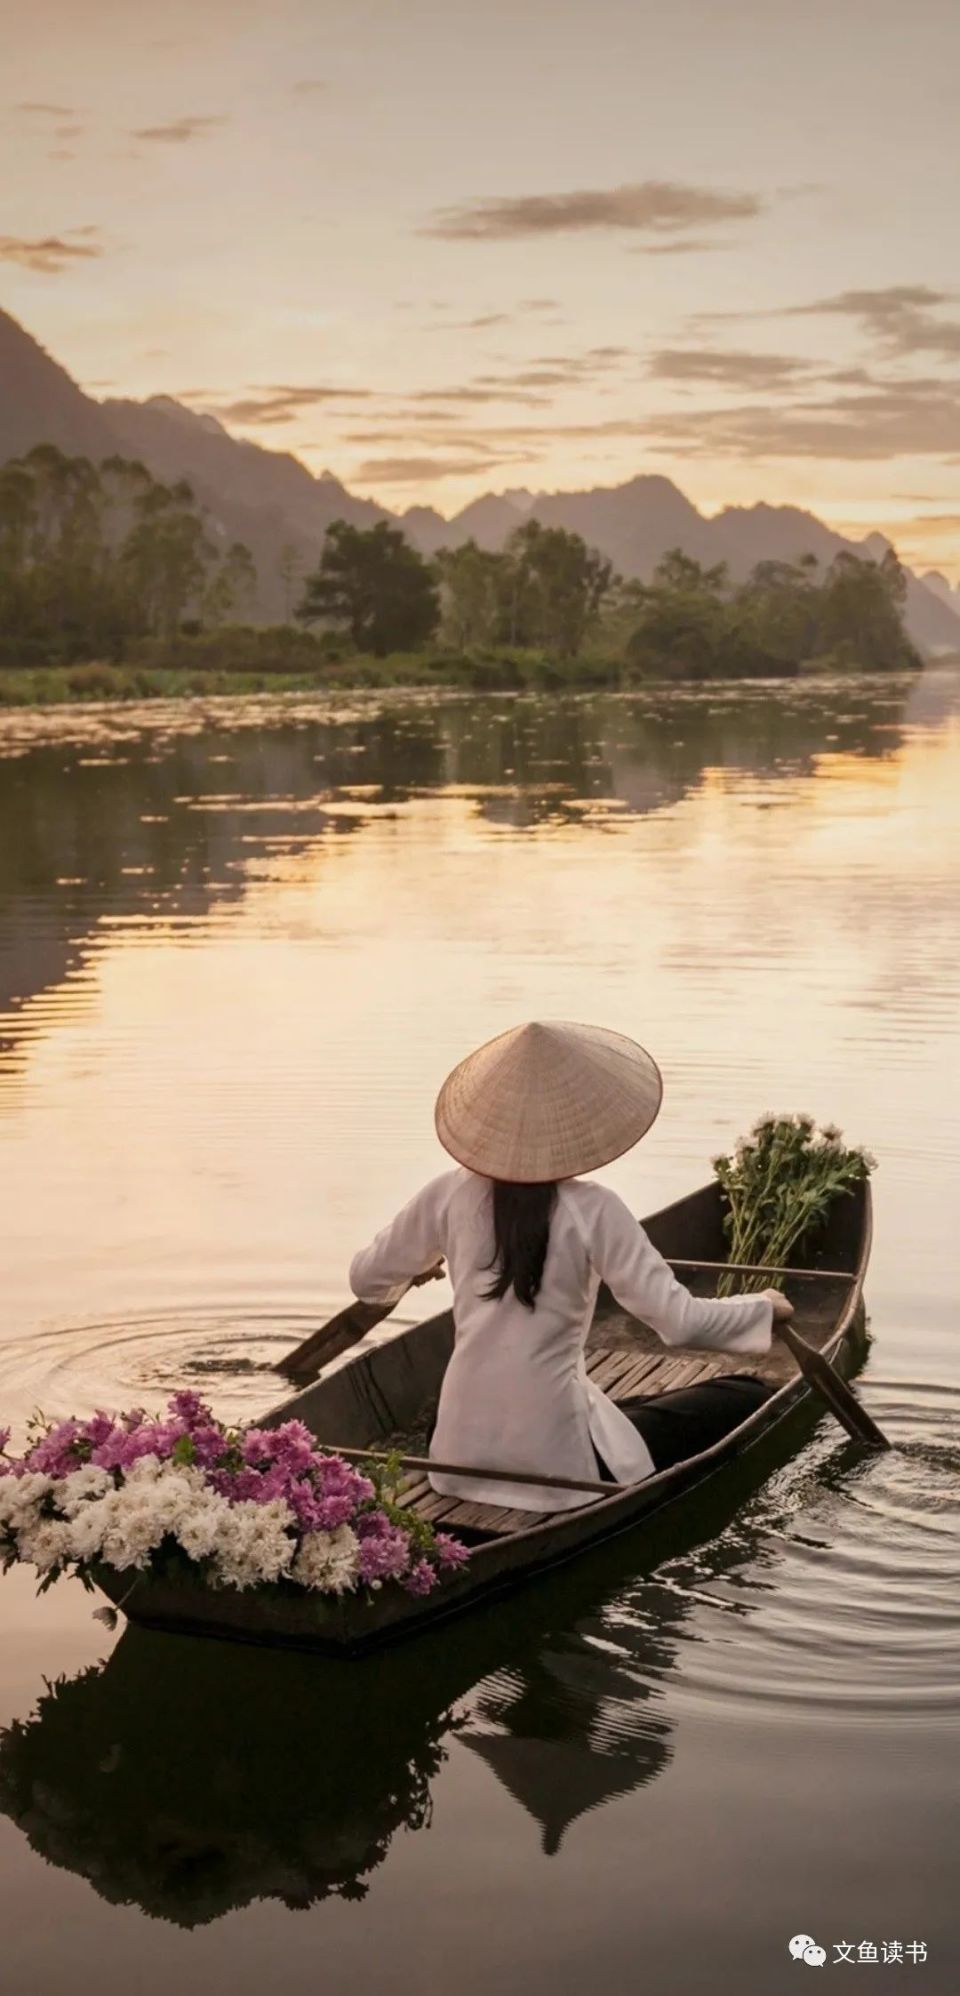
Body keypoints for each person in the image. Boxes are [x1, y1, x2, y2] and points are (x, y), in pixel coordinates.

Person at [348, 1021, 795, 1512]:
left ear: (493, 1123)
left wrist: (417, 1266)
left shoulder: (447, 1193)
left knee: (619, 1410)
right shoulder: (594, 1209)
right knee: (742, 1393)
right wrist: (764, 1308)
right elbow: (679, 1323)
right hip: (556, 1472)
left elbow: (366, 1279)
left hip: (456, 1456)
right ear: (574, 1127)